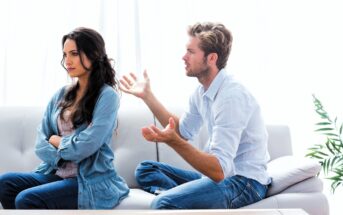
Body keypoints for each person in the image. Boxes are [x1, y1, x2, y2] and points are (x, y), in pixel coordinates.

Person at [119, 22, 271, 209]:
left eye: (191, 52)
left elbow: (218, 171)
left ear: (211, 58)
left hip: (245, 183)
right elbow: (182, 130)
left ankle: (177, 201)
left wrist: (172, 140)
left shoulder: (231, 97)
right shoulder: (202, 92)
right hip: (218, 178)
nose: (184, 57)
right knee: (147, 169)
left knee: (162, 203)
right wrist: (148, 97)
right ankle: (186, 200)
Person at [0, 27, 129, 209]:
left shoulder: (107, 96)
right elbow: (41, 140)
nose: (67, 61)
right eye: (65, 54)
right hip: (56, 172)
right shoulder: (61, 94)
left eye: (74, 54)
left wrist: (57, 140)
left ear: (93, 54)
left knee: (26, 199)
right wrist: (62, 156)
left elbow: (87, 146)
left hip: (88, 180)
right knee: (5, 183)